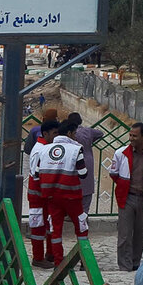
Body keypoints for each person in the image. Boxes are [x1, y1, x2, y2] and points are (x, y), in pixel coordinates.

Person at [110, 123, 143, 271]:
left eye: (135, 136)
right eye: (130, 135)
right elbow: (114, 174)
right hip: (127, 198)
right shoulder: (121, 153)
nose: (131, 139)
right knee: (124, 234)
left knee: (140, 234)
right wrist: (123, 187)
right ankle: (124, 266)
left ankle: (135, 264)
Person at [36, 120, 88, 267]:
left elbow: (36, 173)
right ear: (70, 133)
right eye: (75, 133)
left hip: (51, 197)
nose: (76, 137)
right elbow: (83, 173)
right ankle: (85, 261)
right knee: (81, 228)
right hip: (72, 196)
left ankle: (58, 262)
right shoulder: (76, 150)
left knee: (55, 230)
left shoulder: (44, 150)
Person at [27, 119, 60, 268]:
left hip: (45, 194)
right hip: (37, 195)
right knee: (38, 226)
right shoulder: (40, 149)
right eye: (54, 133)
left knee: (48, 224)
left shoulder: (47, 147)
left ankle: (50, 253)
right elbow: (36, 173)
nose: (56, 136)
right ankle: (38, 257)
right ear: (45, 133)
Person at [67, 113, 105, 213]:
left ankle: (72, 213)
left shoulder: (70, 133)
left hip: (73, 159)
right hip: (88, 160)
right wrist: (91, 140)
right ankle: (84, 215)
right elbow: (101, 133)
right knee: (87, 186)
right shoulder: (88, 131)